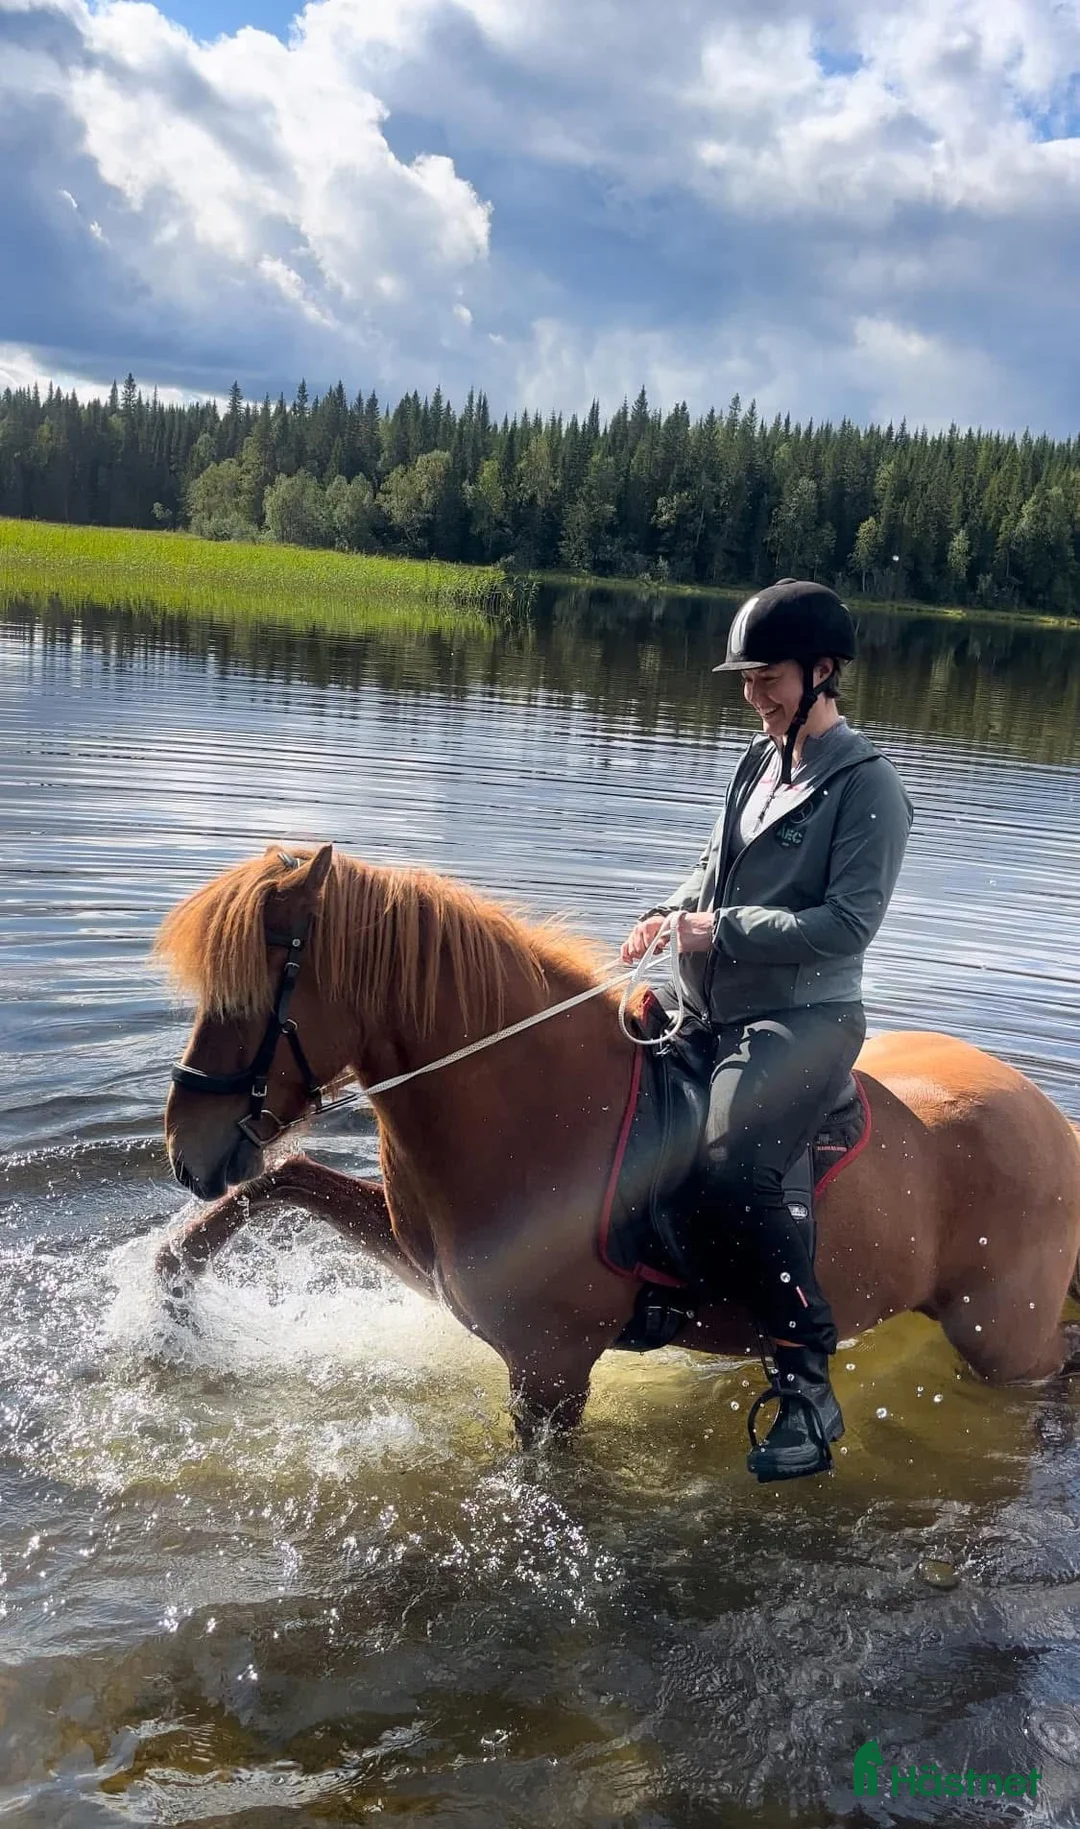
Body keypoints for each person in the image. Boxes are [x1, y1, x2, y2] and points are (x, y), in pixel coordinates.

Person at [621, 579, 913, 1482]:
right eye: (746, 678)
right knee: (626, 1111)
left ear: (823, 672)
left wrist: (722, 929)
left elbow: (847, 925)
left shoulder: (869, 789)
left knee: (733, 1162)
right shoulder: (756, 762)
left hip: (807, 1019)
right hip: (712, 1006)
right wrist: (667, 912)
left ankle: (805, 1381)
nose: (755, 694)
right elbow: (713, 870)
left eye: (770, 676)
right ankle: (669, 1294)